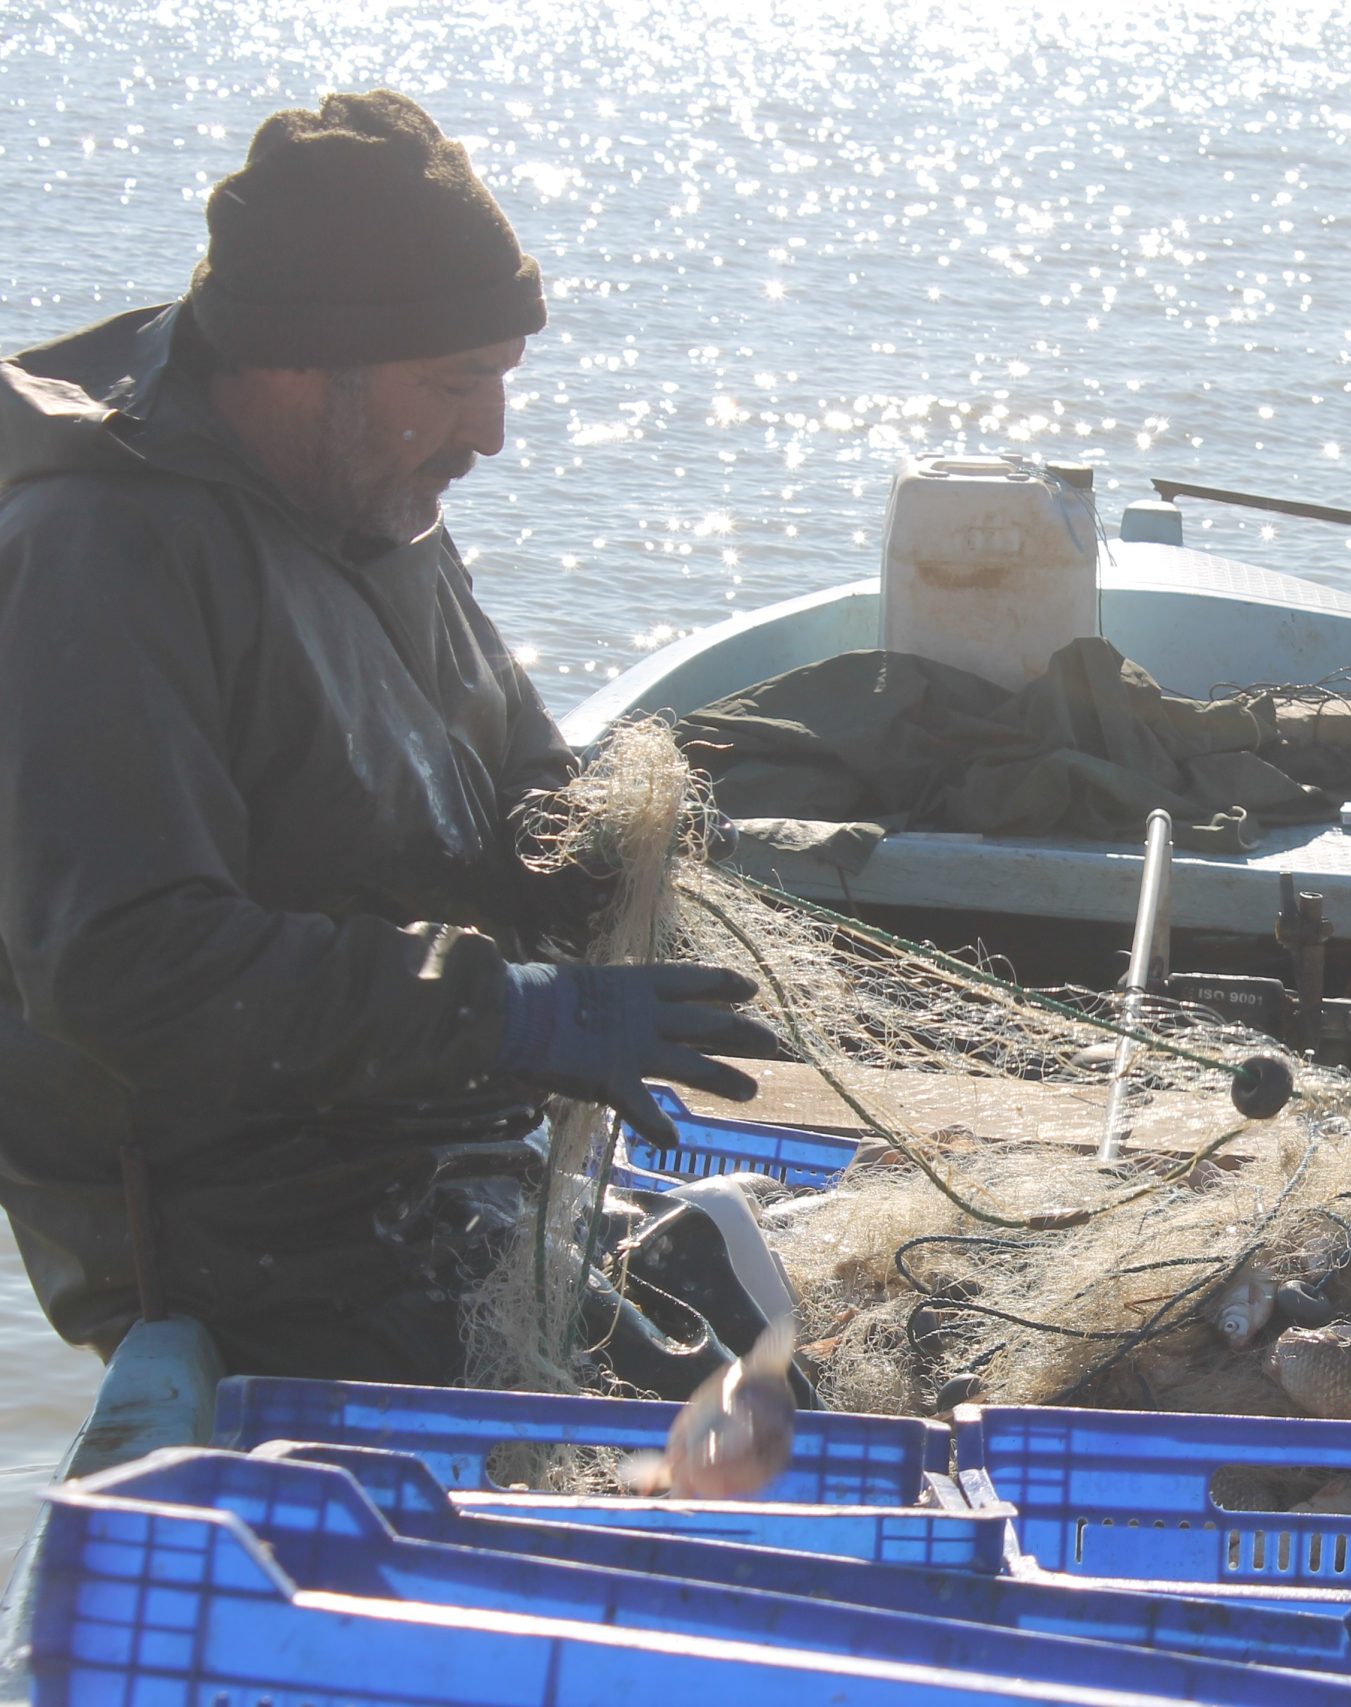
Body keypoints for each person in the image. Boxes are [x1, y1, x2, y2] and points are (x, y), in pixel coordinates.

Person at [0, 90, 775, 1384]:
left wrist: (634, 853)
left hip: (449, 1161)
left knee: (766, 1337)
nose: (491, 434)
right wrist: (519, 1013)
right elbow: (133, 969)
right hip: (259, 1243)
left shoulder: (372, 490)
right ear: (305, 361)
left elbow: (518, 791)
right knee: (679, 1428)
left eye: (499, 382)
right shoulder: (101, 557)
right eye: (455, 383)